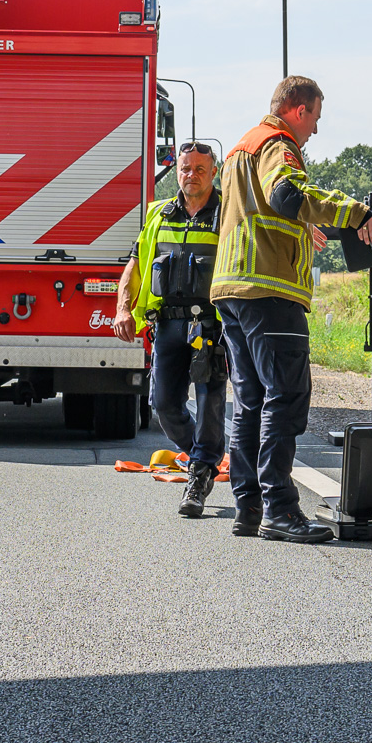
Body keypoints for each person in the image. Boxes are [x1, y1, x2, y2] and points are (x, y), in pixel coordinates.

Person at [211, 75, 372, 544]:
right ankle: (281, 511)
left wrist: (303, 230)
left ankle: (249, 508)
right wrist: (355, 213)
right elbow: (287, 196)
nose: (316, 132)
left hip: (233, 288)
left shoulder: (240, 147)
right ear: (298, 110)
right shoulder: (277, 142)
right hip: (269, 290)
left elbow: (256, 212)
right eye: (316, 119)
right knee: (284, 399)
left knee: (249, 401)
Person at [114, 141, 226, 518]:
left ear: (214, 173)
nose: (190, 175)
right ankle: (204, 458)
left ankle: (200, 475)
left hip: (211, 326)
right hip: (168, 324)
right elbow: (134, 264)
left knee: (210, 401)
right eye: (184, 168)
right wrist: (123, 308)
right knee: (162, 405)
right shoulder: (158, 213)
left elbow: (265, 233)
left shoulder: (228, 214)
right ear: (176, 170)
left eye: (198, 169)